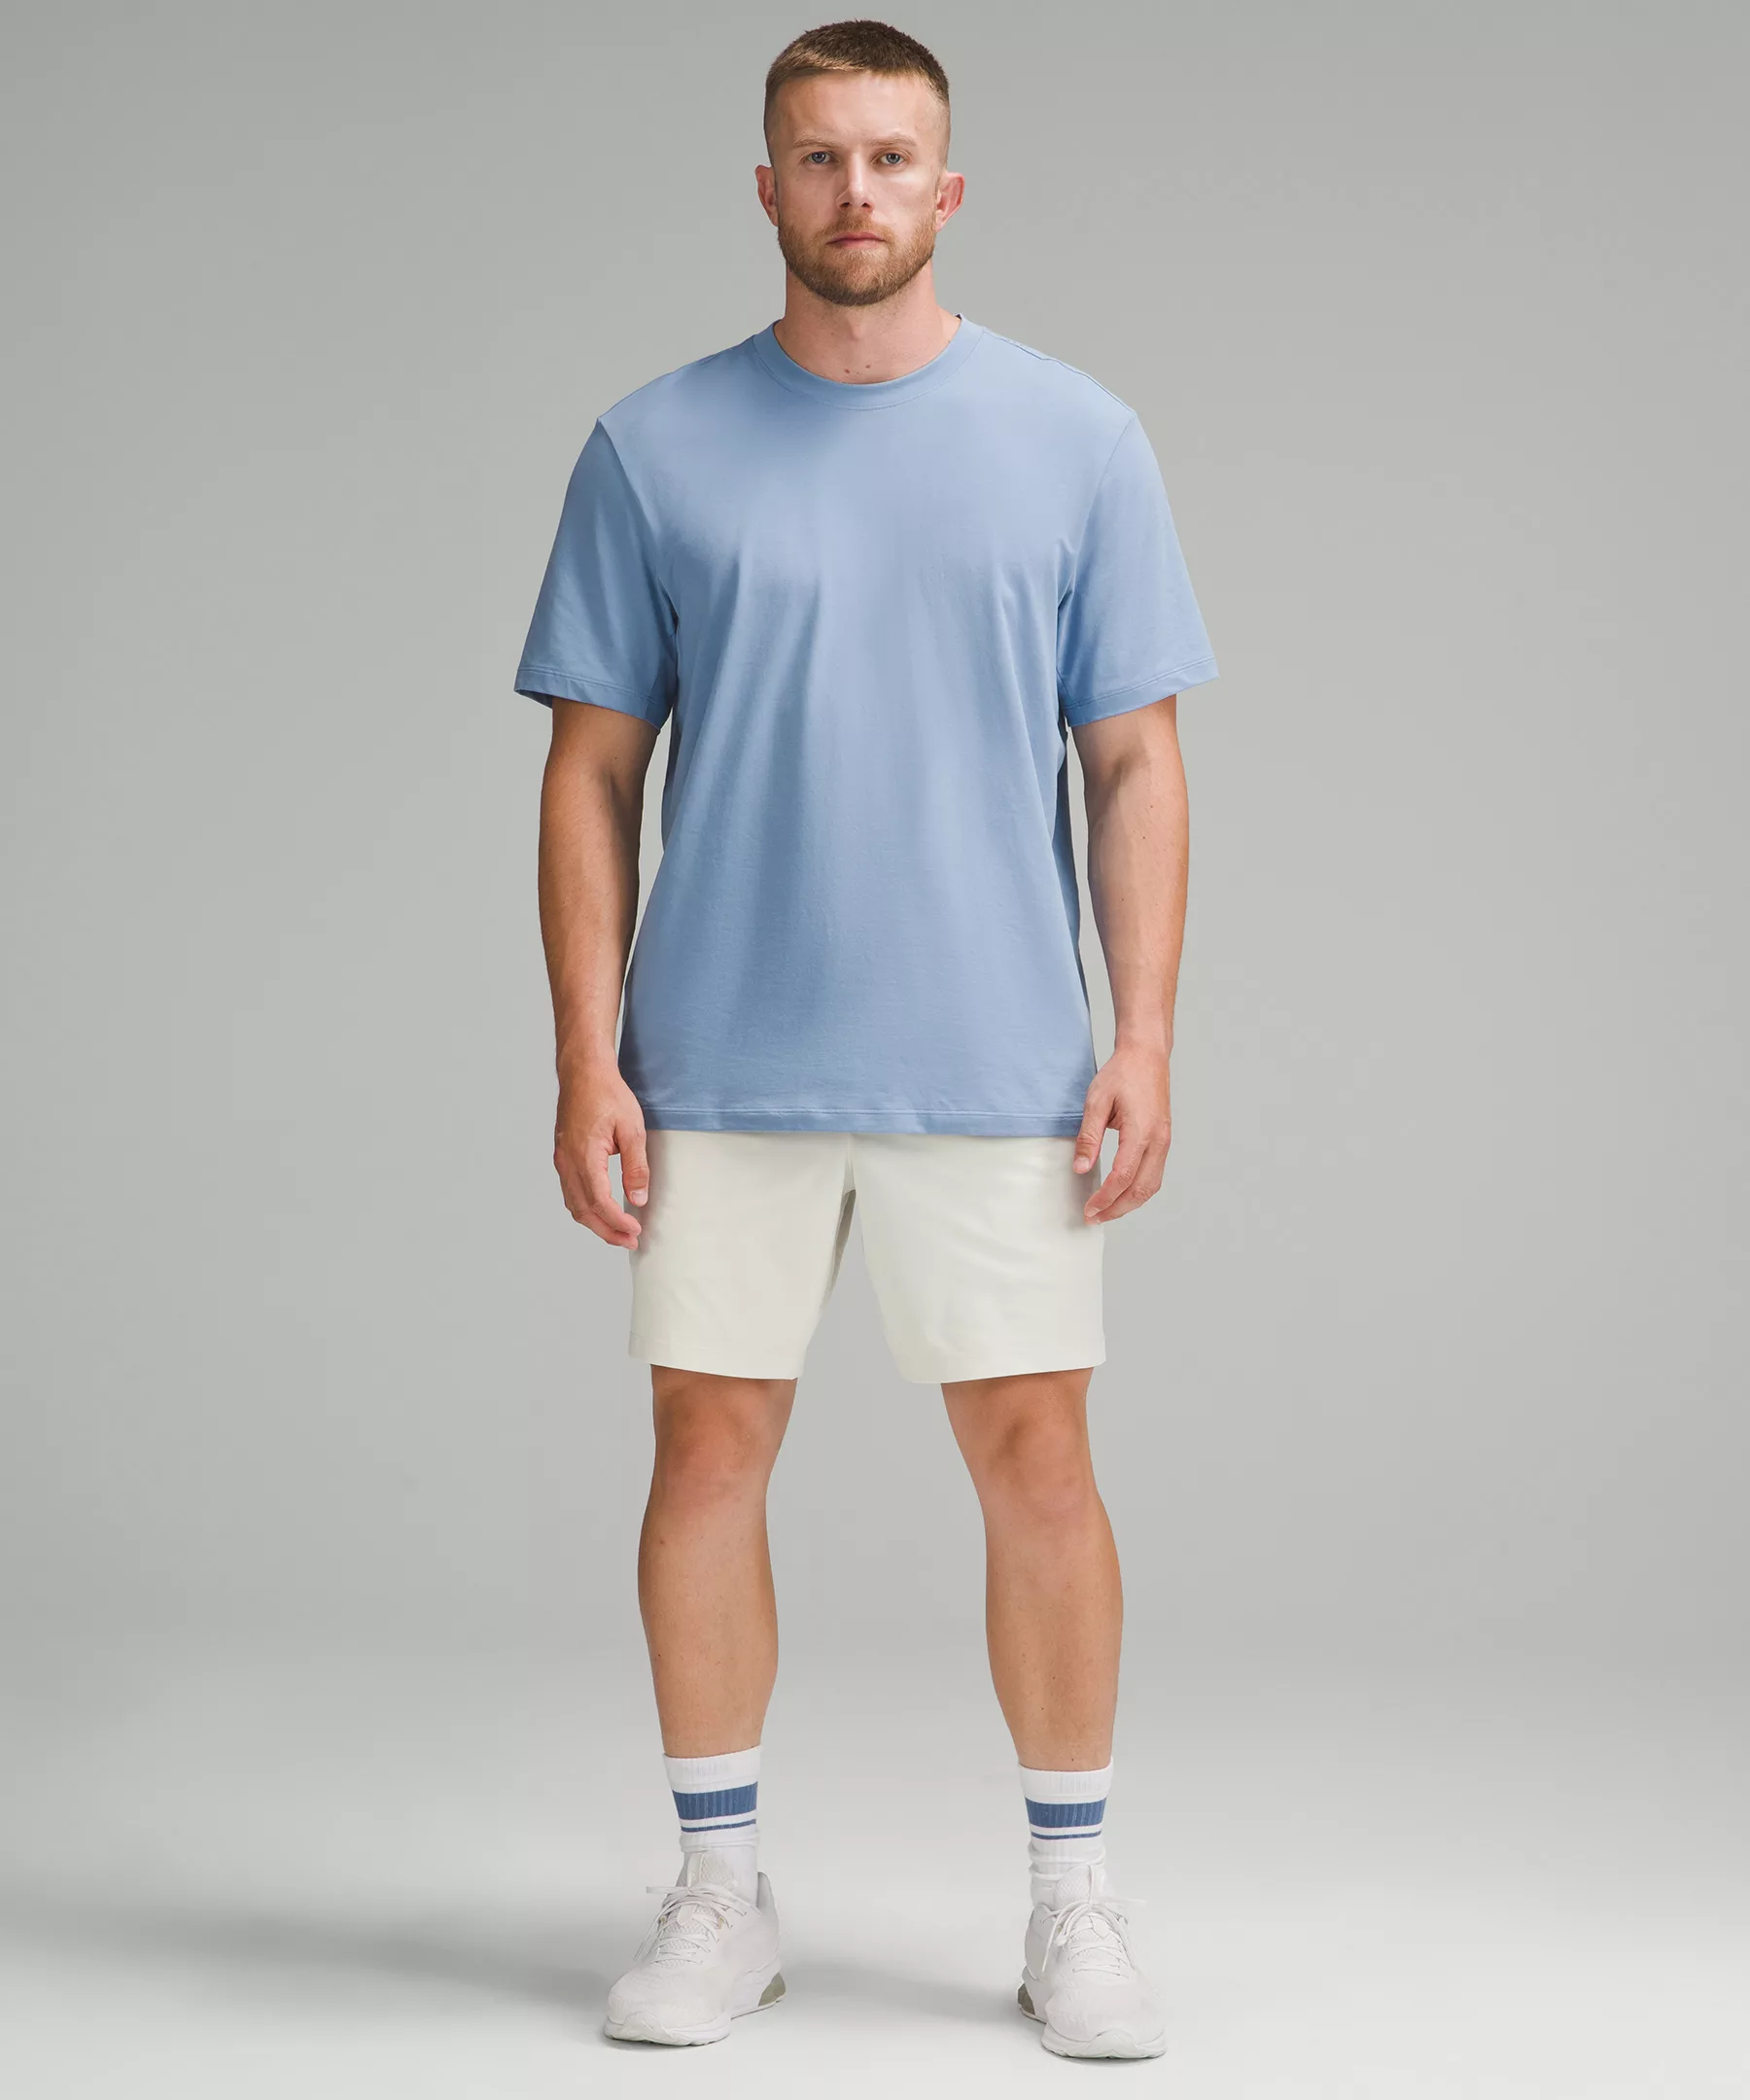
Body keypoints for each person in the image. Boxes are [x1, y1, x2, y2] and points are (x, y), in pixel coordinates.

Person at [512, 16, 1216, 2062]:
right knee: (706, 1450)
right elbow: (590, 772)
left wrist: (1145, 1034)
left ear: (949, 187)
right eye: (819, 158)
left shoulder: (1079, 441)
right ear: (767, 187)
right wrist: (585, 1052)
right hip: (717, 1058)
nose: (856, 193)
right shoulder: (653, 447)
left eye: (892, 158)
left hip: (996, 1057)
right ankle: (720, 1890)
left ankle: (1074, 1902)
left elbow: (1136, 760)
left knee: (1041, 1463)